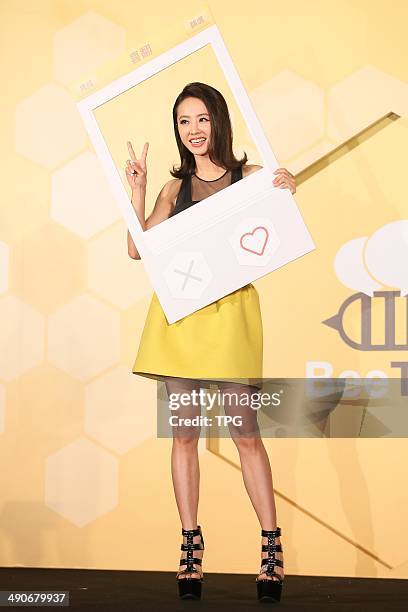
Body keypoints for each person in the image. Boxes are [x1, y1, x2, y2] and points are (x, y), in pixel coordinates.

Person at [125, 82, 296, 602]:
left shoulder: (249, 177)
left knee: (246, 434)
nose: (193, 131)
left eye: (200, 119)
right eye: (183, 122)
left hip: (230, 316)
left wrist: (287, 184)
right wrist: (138, 189)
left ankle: (271, 547)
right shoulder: (173, 191)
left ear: (218, 121)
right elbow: (138, 249)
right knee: (184, 435)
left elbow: (281, 224)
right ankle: (190, 545)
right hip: (180, 315)